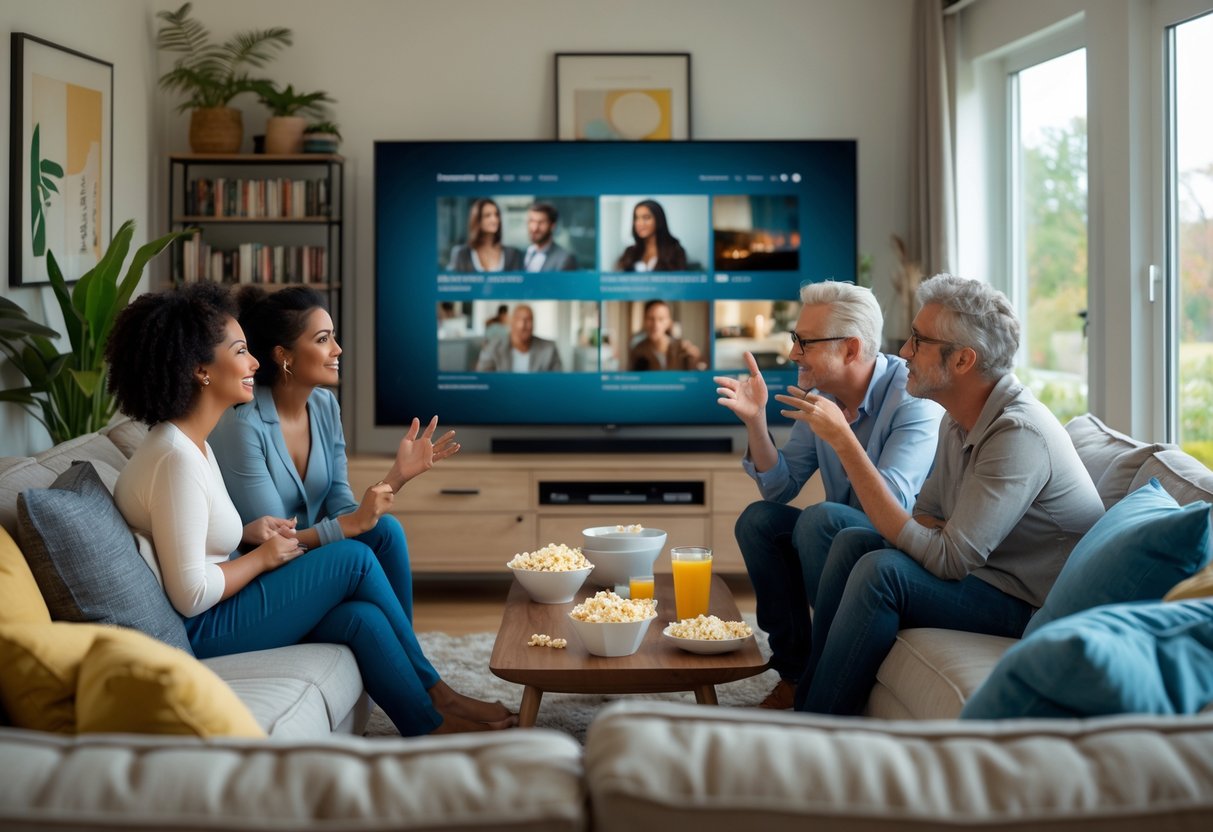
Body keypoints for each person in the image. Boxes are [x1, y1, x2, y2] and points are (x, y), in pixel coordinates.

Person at [108, 282, 514, 737]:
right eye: (241, 351)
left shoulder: (190, 445)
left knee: (359, 616)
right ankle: (436, 691)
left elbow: (195, 536)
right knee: (355, 558)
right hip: (202, 628)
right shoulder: (179, 457)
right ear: (201, 370)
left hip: (222, 604)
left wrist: (248, 532)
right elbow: (191, 594)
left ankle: (428, 721)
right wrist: (262, 554)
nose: (254, 362)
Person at [776, 274, 1104, 715]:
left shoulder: (1017, 434)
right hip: (989, 576)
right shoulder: (958, 416)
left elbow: (950, 558)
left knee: (882, 571)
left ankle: (819, 722)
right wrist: (935, 534)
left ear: (963, 361)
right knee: (854, 540)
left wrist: (844, 442)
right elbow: (926, 513)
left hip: (1030, 605)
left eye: (918, 340)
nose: (904, 352)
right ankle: (810, 698)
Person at [714, 281, 943, 709]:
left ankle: (824, 674)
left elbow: (893, 508)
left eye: (804, 342)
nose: (792, 354)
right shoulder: (823, 396)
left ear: (852, 350)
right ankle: (794, 673)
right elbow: (780, 489)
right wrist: (756, 422)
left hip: (895, 546)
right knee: (758, 520)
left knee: (823, 519)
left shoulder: (913, 400)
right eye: (794, 339)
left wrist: (841, 436)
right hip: (838, 537)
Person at [474, 304, 562, 372]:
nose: (523, 325)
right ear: (511, 322)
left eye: (528, 320)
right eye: (519, 319)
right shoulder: (492, 348)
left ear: (534, 324)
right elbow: (483, 381)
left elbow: (557, 383)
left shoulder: (549, 348)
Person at [447, 198, 523, 273]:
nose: (494, 219)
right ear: (477, 220)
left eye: (496, 215)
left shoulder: (513, 254)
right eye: (487, 215)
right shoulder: (461, 254)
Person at [628, 299, 705, 371]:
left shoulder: (682, 349)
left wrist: (697, 360)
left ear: (669, 321)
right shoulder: (637, 351)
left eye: (661, 319)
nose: (655, 325)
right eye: (650, 318)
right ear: (644, 320)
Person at [615, 199, 687, 272]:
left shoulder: (675, 251)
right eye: (636, 218)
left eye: (646, 218)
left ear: (658, 220)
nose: (639, 223)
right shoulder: (630, 252)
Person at [523, 202, 578, 271]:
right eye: (531, 221)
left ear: (552, 226)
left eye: (541, 222)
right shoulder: (522, 254)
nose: (534, 228)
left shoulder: (565, 259)